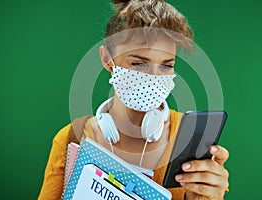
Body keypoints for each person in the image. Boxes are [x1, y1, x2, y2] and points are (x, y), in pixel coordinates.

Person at [38, 0, 229, 199]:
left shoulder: (190, 138)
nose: (154, 78)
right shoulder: (71, 139)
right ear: (107, 59)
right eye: (139, 63)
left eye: (166, 65)